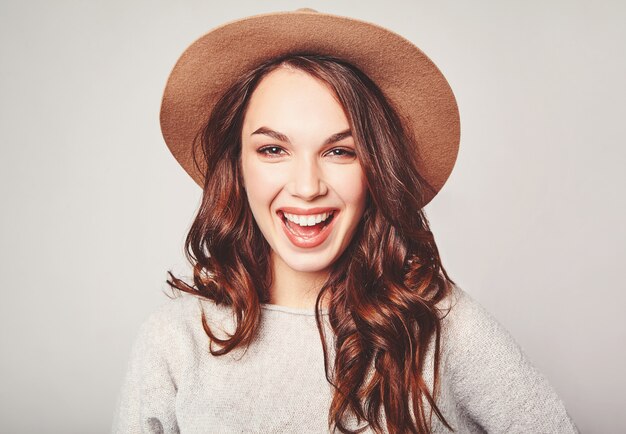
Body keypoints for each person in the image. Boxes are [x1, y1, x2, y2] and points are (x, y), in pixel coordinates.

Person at [112, 8, 579, 434]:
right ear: (238, 166)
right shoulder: (175, 340)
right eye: (273, 149)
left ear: (373, 167)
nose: (307, 185)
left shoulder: (440, 325)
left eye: (339, 151)